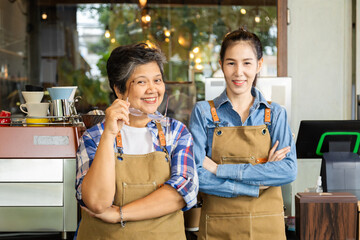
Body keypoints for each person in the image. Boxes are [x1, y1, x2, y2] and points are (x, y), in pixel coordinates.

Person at [75, 43, 198, 240]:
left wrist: (119, 214)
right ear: (118, 89)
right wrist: (108, 135)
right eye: (141, 82)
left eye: (157, 80)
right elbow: (97, 202)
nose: (153, 89)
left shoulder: (176, 132)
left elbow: (181, 193)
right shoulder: (94, 137)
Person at [189, 28, 297, 240]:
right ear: (221, 65)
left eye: (247, 63)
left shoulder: (275, 114)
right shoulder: (203, 113)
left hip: (267, 228)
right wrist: (258, 183)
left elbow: (287, 171)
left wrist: (220, 169)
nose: (239, 72)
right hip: (218, 227)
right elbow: (197, 175)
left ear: (259, 65)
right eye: (231, 63)